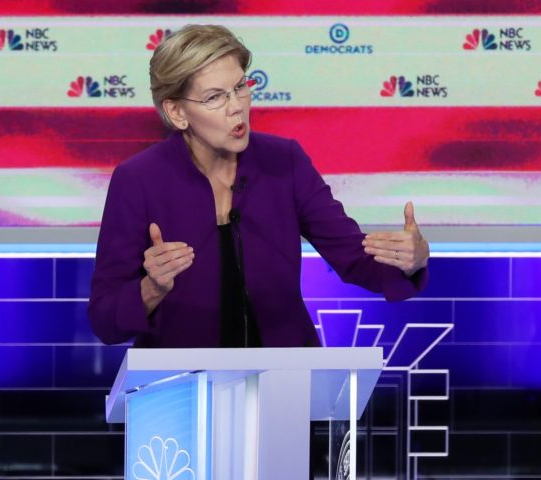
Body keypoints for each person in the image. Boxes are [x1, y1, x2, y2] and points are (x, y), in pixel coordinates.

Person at [88, 24, 430, 348]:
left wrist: (410, 261)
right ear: (177, 113)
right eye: (215, 98)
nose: (237, 106)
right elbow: (105, 320)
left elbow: (355, 258)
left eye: (240, 87)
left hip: (283, 382)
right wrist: (153, 287)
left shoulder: (284, 161)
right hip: (181, 390)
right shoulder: (138, 179)